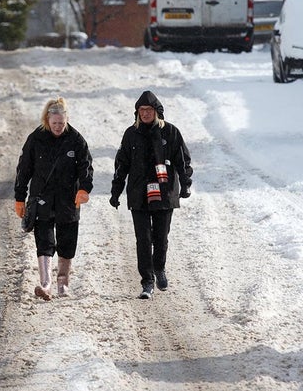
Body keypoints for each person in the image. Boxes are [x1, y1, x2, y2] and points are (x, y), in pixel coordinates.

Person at [109, 90, 193, 299]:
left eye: (149, 110)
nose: (145, 113)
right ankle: (147, 282)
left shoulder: (171, 133)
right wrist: (116, 191)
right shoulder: (131, 134)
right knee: (143, 239)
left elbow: (183, 162)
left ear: (157, 111)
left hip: (164, 193)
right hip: (138, 194)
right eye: (142, 110)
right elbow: (122, 165)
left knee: (160, 237)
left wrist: (185, 184)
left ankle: (159, 268)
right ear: (137, 112)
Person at [14, 97, 93, 299]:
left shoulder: (76, 140)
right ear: (47, 120)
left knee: (67, 243)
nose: (58, 127)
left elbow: (86, 167)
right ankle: (46, 284)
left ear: (66, 120)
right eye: (54, 123)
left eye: (61, 123)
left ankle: (63, 285)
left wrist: (84, 189)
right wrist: (19, 198)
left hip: (68, 200)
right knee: (45, 242)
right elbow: (23, 170)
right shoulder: (36, 139)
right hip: (42, 198)